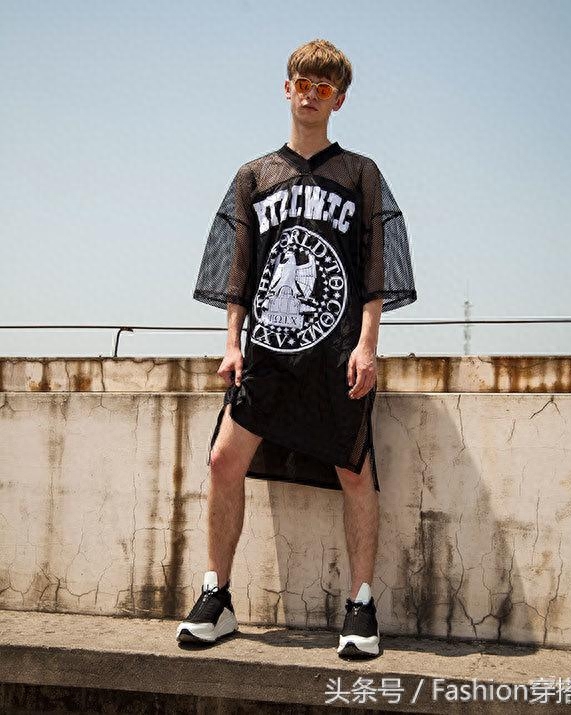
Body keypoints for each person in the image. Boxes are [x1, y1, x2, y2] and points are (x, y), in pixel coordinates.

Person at [176, 38, 417, 659]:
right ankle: (217, 597)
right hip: (267, 350)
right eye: (302, 84)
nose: (310, 95)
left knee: (355, 471)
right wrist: (231, 343)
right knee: (222, 462)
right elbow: (239, 269)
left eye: (323, 87)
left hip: (336, 352)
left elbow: (374, 270)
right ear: (286, 89)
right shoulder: (254, 175)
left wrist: (368, 344)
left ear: (339, 99)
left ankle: (361, 606)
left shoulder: (360, 173)